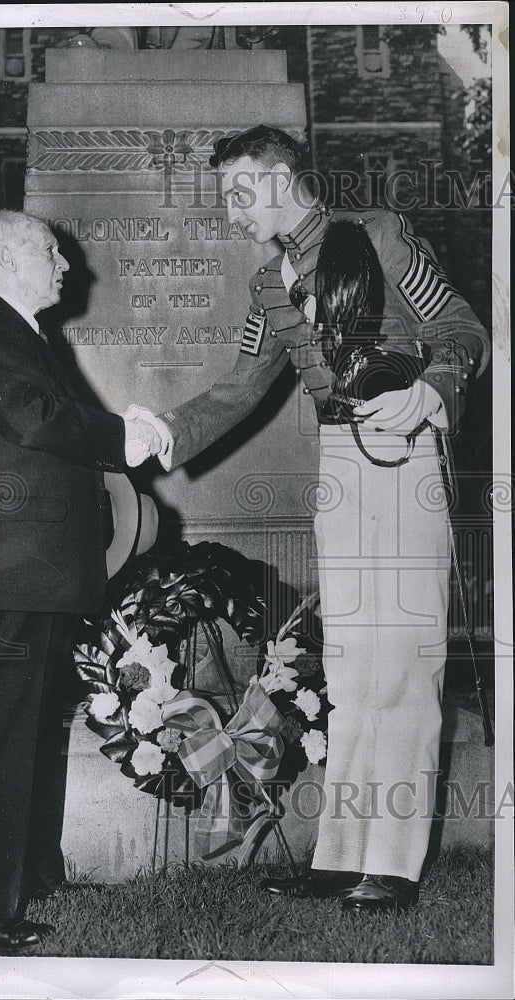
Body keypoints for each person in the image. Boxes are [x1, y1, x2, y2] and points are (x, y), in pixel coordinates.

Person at [130, 125, 490, 911]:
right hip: (338, 471)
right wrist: (162, 431)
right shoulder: (269, 286)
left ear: (281, 178)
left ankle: (391, 863)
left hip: (404, 460)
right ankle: (340, 853)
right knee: (353, 669)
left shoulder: (381, 238)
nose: (229, 211)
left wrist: (431, 392)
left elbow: (462, 328)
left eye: (236, 192)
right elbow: (237, 389)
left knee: (403, 661)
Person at [0, 210, 160, 950]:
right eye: (49, 251)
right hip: (10, 568)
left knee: (20, 730)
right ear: (2, 261)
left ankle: (24, 878)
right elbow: (36, 420)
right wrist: (122, 434)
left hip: (29, 567)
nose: (65, 264)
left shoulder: (13, 329)